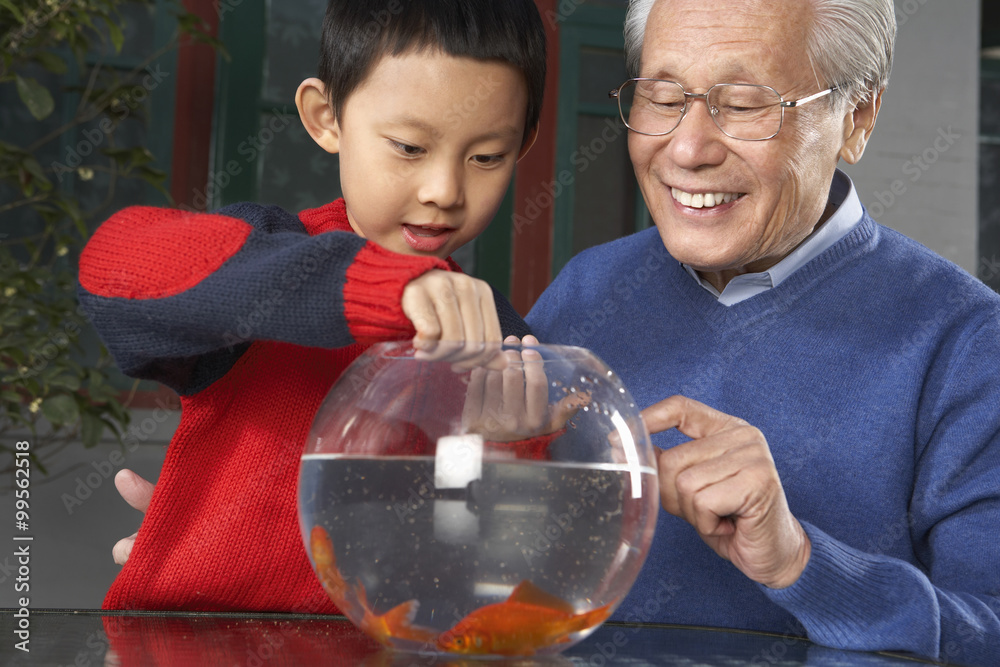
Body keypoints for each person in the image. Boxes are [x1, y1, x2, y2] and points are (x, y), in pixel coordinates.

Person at [526, 0, 1000, 664]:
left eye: (744, 105)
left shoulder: (968, 343)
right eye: (662, 98)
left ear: (857, 118)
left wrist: (800, 561)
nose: (687, 149)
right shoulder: (584, 291)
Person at [80, 0, 545, 614]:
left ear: (522, 146)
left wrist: (501, 455)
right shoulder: (271, 263)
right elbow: (113, 266)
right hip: (189, 643)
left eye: (485, 157)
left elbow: (475, 570)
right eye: (409, 146)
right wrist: (373, 286)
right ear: (327, 117)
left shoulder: (499, 341)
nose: (445, 192)